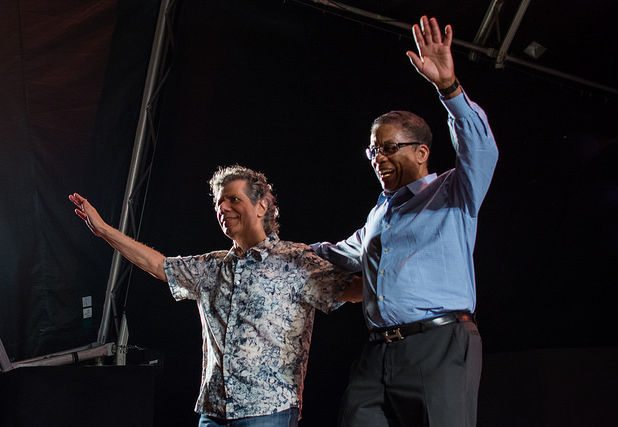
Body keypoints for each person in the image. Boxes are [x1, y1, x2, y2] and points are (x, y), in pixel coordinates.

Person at [310, 16, 499, 427]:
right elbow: (340, 253)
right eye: (372, 151)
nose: (378, 159)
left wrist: (448, 87)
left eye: (389, 148)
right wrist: (279, 249)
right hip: (378, 352)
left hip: (439, 344)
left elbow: (481, 149)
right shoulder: (381, 213)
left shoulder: (454, 191)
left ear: (421, 152)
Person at [69, 165, 361, 427]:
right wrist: (104, 230)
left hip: (268, 412)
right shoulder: (212, 266)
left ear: (262, 207)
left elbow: (354, 291)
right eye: (219, 201)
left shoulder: (296, 260)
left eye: (233, 198)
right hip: (214, 412)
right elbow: (159, 265)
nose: (223, 206)